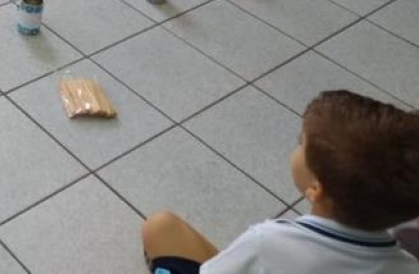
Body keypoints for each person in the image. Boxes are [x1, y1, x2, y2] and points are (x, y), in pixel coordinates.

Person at [141, 90, 419, 273]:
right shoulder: (407, 266)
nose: (296, 147)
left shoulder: (267, 242)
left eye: (301, 143)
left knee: (160, 226)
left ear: (315, 188)